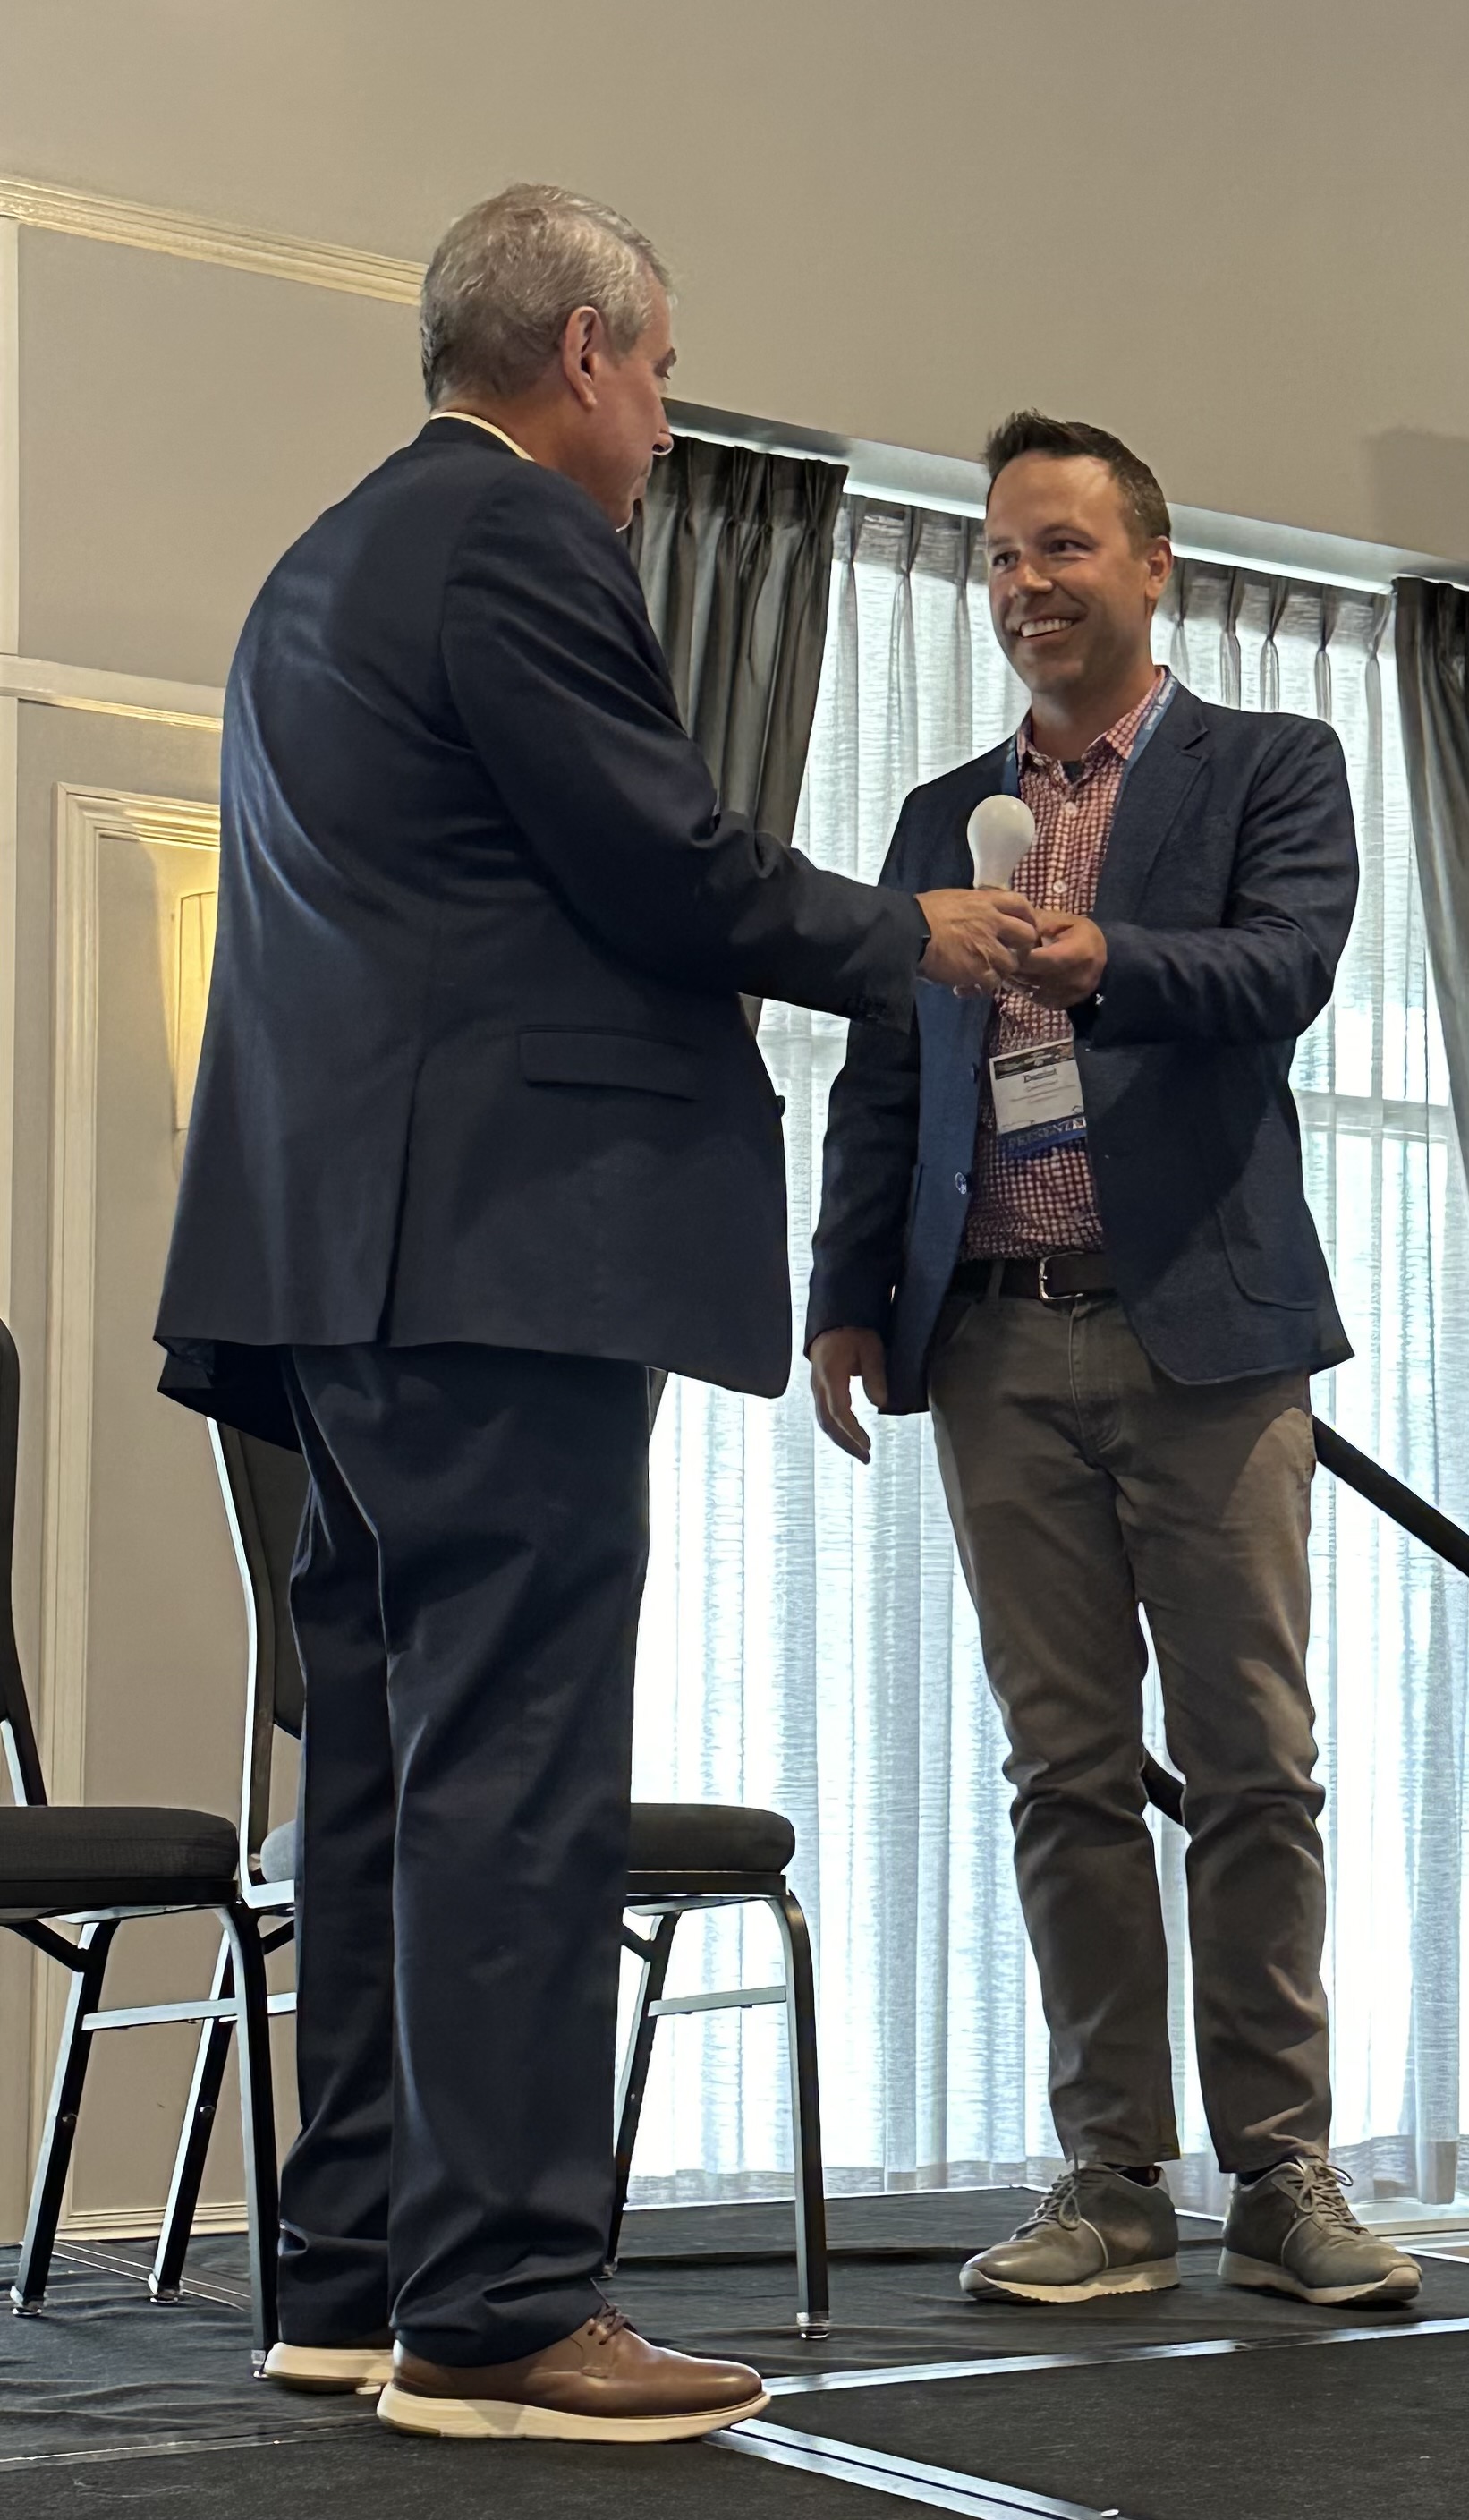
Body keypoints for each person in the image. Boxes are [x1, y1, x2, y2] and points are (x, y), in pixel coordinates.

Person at [155, 183, 1037, 2445]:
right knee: (521, 1769)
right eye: (655, 376)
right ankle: (506, 2311)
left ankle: (351, 2276)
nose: (658, 422)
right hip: (498, 1249)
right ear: (579, 350)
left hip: (330, 1259)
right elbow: (662, 857)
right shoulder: (525, 543)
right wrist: (905, 936)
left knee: (383, 1765)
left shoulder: (321, 564)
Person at [809, 413, 1420, 2311]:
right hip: (992, 1341)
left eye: (1061, 548)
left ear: (1151, 568)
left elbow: (1285, 971)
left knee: (1253, 1765)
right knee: (1060, 1770)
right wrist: (841, 1296)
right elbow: (886, 1075)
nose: (1023, 586)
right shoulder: (936, 819)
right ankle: (1107, 2182)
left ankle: (1285, 2176)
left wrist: (1099, 964)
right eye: (1000, 556)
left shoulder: (1267, 767)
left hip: (1208, 1343)